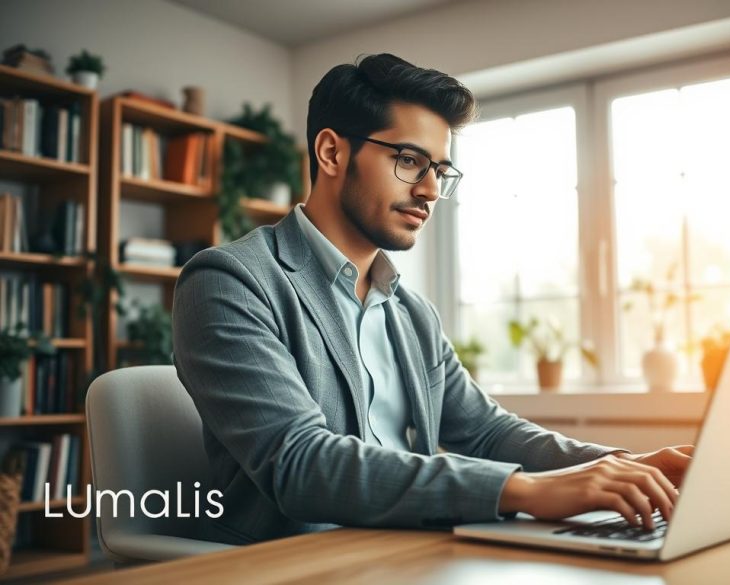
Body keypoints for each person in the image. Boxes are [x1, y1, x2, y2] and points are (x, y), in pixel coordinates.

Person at [172, 53, 694, 545]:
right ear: (332, 152)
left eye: (439, 171)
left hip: (410, 553)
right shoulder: (229, 282)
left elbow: (487, 433)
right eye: (408, 160)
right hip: (296, 566)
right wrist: (525, 491)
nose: (428, 190)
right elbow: (299, 462)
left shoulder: (410, 312)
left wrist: (629, 464)